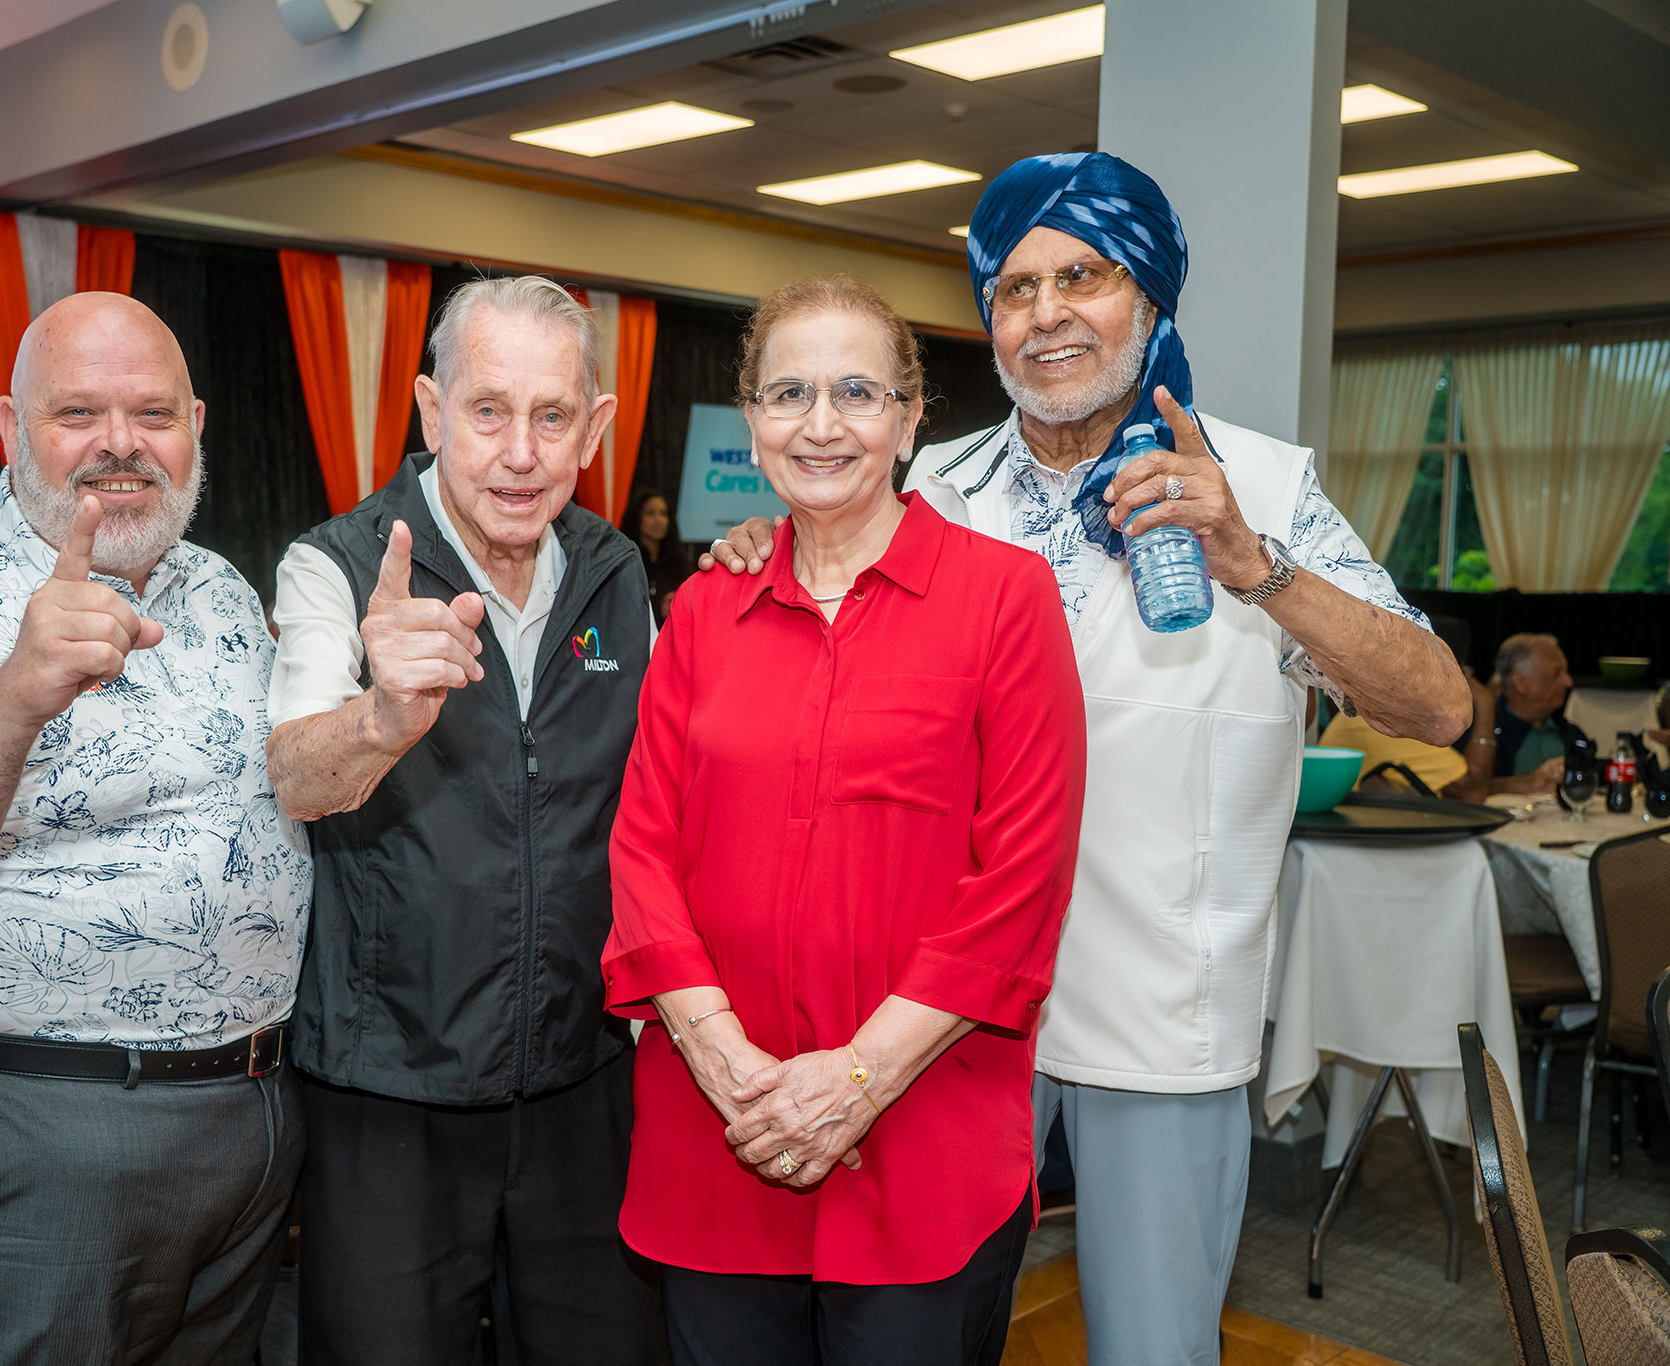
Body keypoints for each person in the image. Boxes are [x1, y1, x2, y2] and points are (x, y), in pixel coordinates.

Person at [706, 154, 1472, 1365]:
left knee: (1149, 1348)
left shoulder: (1259, 486)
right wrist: (763, 543)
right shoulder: (926, 487)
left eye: (1083, 276)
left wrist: (1253, 565)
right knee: (914, 1332)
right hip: (927, 1020)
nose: (1047, 312)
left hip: (1152, 1018)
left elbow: (1437, 707)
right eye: (1014, 288)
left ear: (1149, 297)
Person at [0, 293, 311, 1364]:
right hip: (20, 1138)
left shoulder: (219, 589)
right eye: (77, 412)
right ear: (10, 427)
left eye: (153, 413)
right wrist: (11, 699)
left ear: (196, 427)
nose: (121, 443)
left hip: (240, 1123)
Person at [603, 275, 1084, 1365]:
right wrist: (719, 1055)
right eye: (789, 394)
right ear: (753, 421)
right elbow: (641, 848)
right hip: (720, 1126)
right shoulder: (703, 610)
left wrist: (856, 1077)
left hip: (923, 1138)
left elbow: (1021, 883)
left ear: (910, 422)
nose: (821, 424)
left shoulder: (1005, 601)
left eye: (857, 393)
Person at [263, 275, 660, 1366]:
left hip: (583, 1082)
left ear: (595, 427)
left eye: (551, 416)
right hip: (390, 1097)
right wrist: (380, 717)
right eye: (488, 412)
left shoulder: (617, 573)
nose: (519, 454)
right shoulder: (338, 565)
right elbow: (294, 778)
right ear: (433, 411)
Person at [1325, 615, 1497, 800]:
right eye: (1463, 672)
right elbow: (1471, 792)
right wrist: (1485, 703)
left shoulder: (1385, 706)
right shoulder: (1383, 714)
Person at [1491, 632, 1590, 788]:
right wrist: (1526, 784)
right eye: (1556, 674)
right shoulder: (1485, 733)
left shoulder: (1572, 735)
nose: (1568, 682)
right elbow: (1464, 791)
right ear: (1521, 683)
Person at [621, 486, 692, 625]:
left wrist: (677, 601)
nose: (658, 520)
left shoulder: (678, 561)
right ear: (636, 517)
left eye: (663, 513)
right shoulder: (624, 560)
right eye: (650, 513)